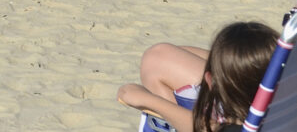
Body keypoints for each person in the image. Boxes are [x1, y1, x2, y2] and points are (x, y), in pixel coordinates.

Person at [117, 21, 277, 132]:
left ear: (211, 82)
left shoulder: (234, 128)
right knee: (165, 54)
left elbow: (200, 128)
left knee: (158, 58)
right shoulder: (285, 98)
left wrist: (148, 100)